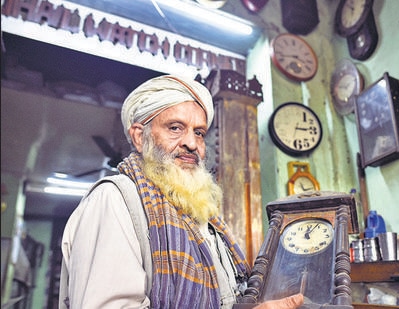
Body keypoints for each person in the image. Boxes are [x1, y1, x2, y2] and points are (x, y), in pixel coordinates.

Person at [59, 74, 304, 309]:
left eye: (199, 132)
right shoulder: (114, 200)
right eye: (175, 128)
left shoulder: (203, 218)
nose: (192, 143)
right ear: (139, 137)